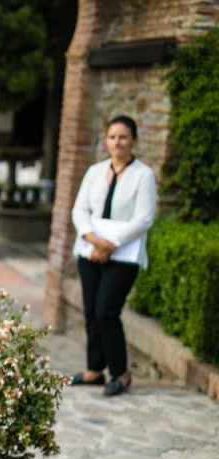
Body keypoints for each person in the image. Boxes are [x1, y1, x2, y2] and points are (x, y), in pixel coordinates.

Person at [70, 115, 157, 397]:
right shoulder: (95, 172)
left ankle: (120, 372)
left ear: (133, 141)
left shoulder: (143, 175)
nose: (117, 142)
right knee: (91, 311)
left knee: (107, 311)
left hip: (123, 255)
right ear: (105, 141)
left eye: (123, 137)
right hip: (90, 251)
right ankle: (95, 370)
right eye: (112, 137)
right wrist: (93, 239)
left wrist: (110, 244)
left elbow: (143, 219)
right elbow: (80, 210)